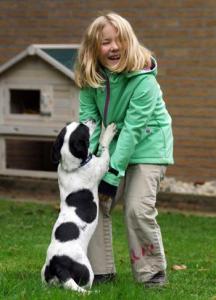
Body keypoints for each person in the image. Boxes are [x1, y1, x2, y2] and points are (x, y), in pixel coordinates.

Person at [74, 12, 174, 288]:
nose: (114, 47)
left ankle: (151, 273)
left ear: (129, 43)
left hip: (149, 143)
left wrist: (112, 173)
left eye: (119, 41)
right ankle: (101, 270)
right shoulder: (91, 77)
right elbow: (90, 123)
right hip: (116, 141)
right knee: (93, 200)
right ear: (95, 47)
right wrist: (88, 165)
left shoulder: (144, 79)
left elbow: (133, 128)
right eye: (106, 42)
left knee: (137, 208)